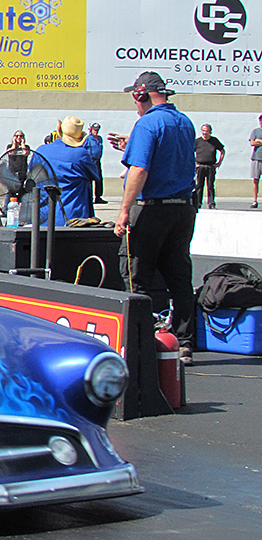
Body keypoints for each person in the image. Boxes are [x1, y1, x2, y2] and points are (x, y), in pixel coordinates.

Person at [107, 71, 197, 365]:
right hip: (182, 209)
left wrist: (123, 210)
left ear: (140, 95)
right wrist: (133, 142)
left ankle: (140, 344)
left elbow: (140, 170)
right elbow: (168, 156)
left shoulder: (147, 123)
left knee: (136, 276)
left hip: (151, 208)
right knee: (179, 277)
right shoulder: (184, 122)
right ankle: (184, 344)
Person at [34, 116, 100, 225]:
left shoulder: (41, 150)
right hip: (73, 218)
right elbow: (94, 175)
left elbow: (31, 175)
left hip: (42, 216)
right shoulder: (80, 154)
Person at [193, 123, 225, 209]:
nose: (205, 132)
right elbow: (190, 152)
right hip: (200, 166)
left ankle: (211, 203)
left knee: (210, 186)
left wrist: (219, 162)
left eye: (207, 131)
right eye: (203, 130)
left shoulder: (214, 141)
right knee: (199, 185)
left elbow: (222, 150)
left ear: (210, 132)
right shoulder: (197, 141)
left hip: (210, 166)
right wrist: (194, 163)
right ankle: (198, 203)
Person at [87, 122, 106, 204]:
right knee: (90, 179)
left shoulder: (100, 138)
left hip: (98, 160)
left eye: (97, 130)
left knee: (99, 178)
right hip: (91, 160)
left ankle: (98, 196)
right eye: (94, 130)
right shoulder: (88, 138)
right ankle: (89, 197)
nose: (96, 131)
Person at [250, 114, 262, 208]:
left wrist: (260, 141)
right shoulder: (255, 131)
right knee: (255, 180)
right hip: (256, 158)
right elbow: (252, 142)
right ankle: (255, 200)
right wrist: (257, 142)